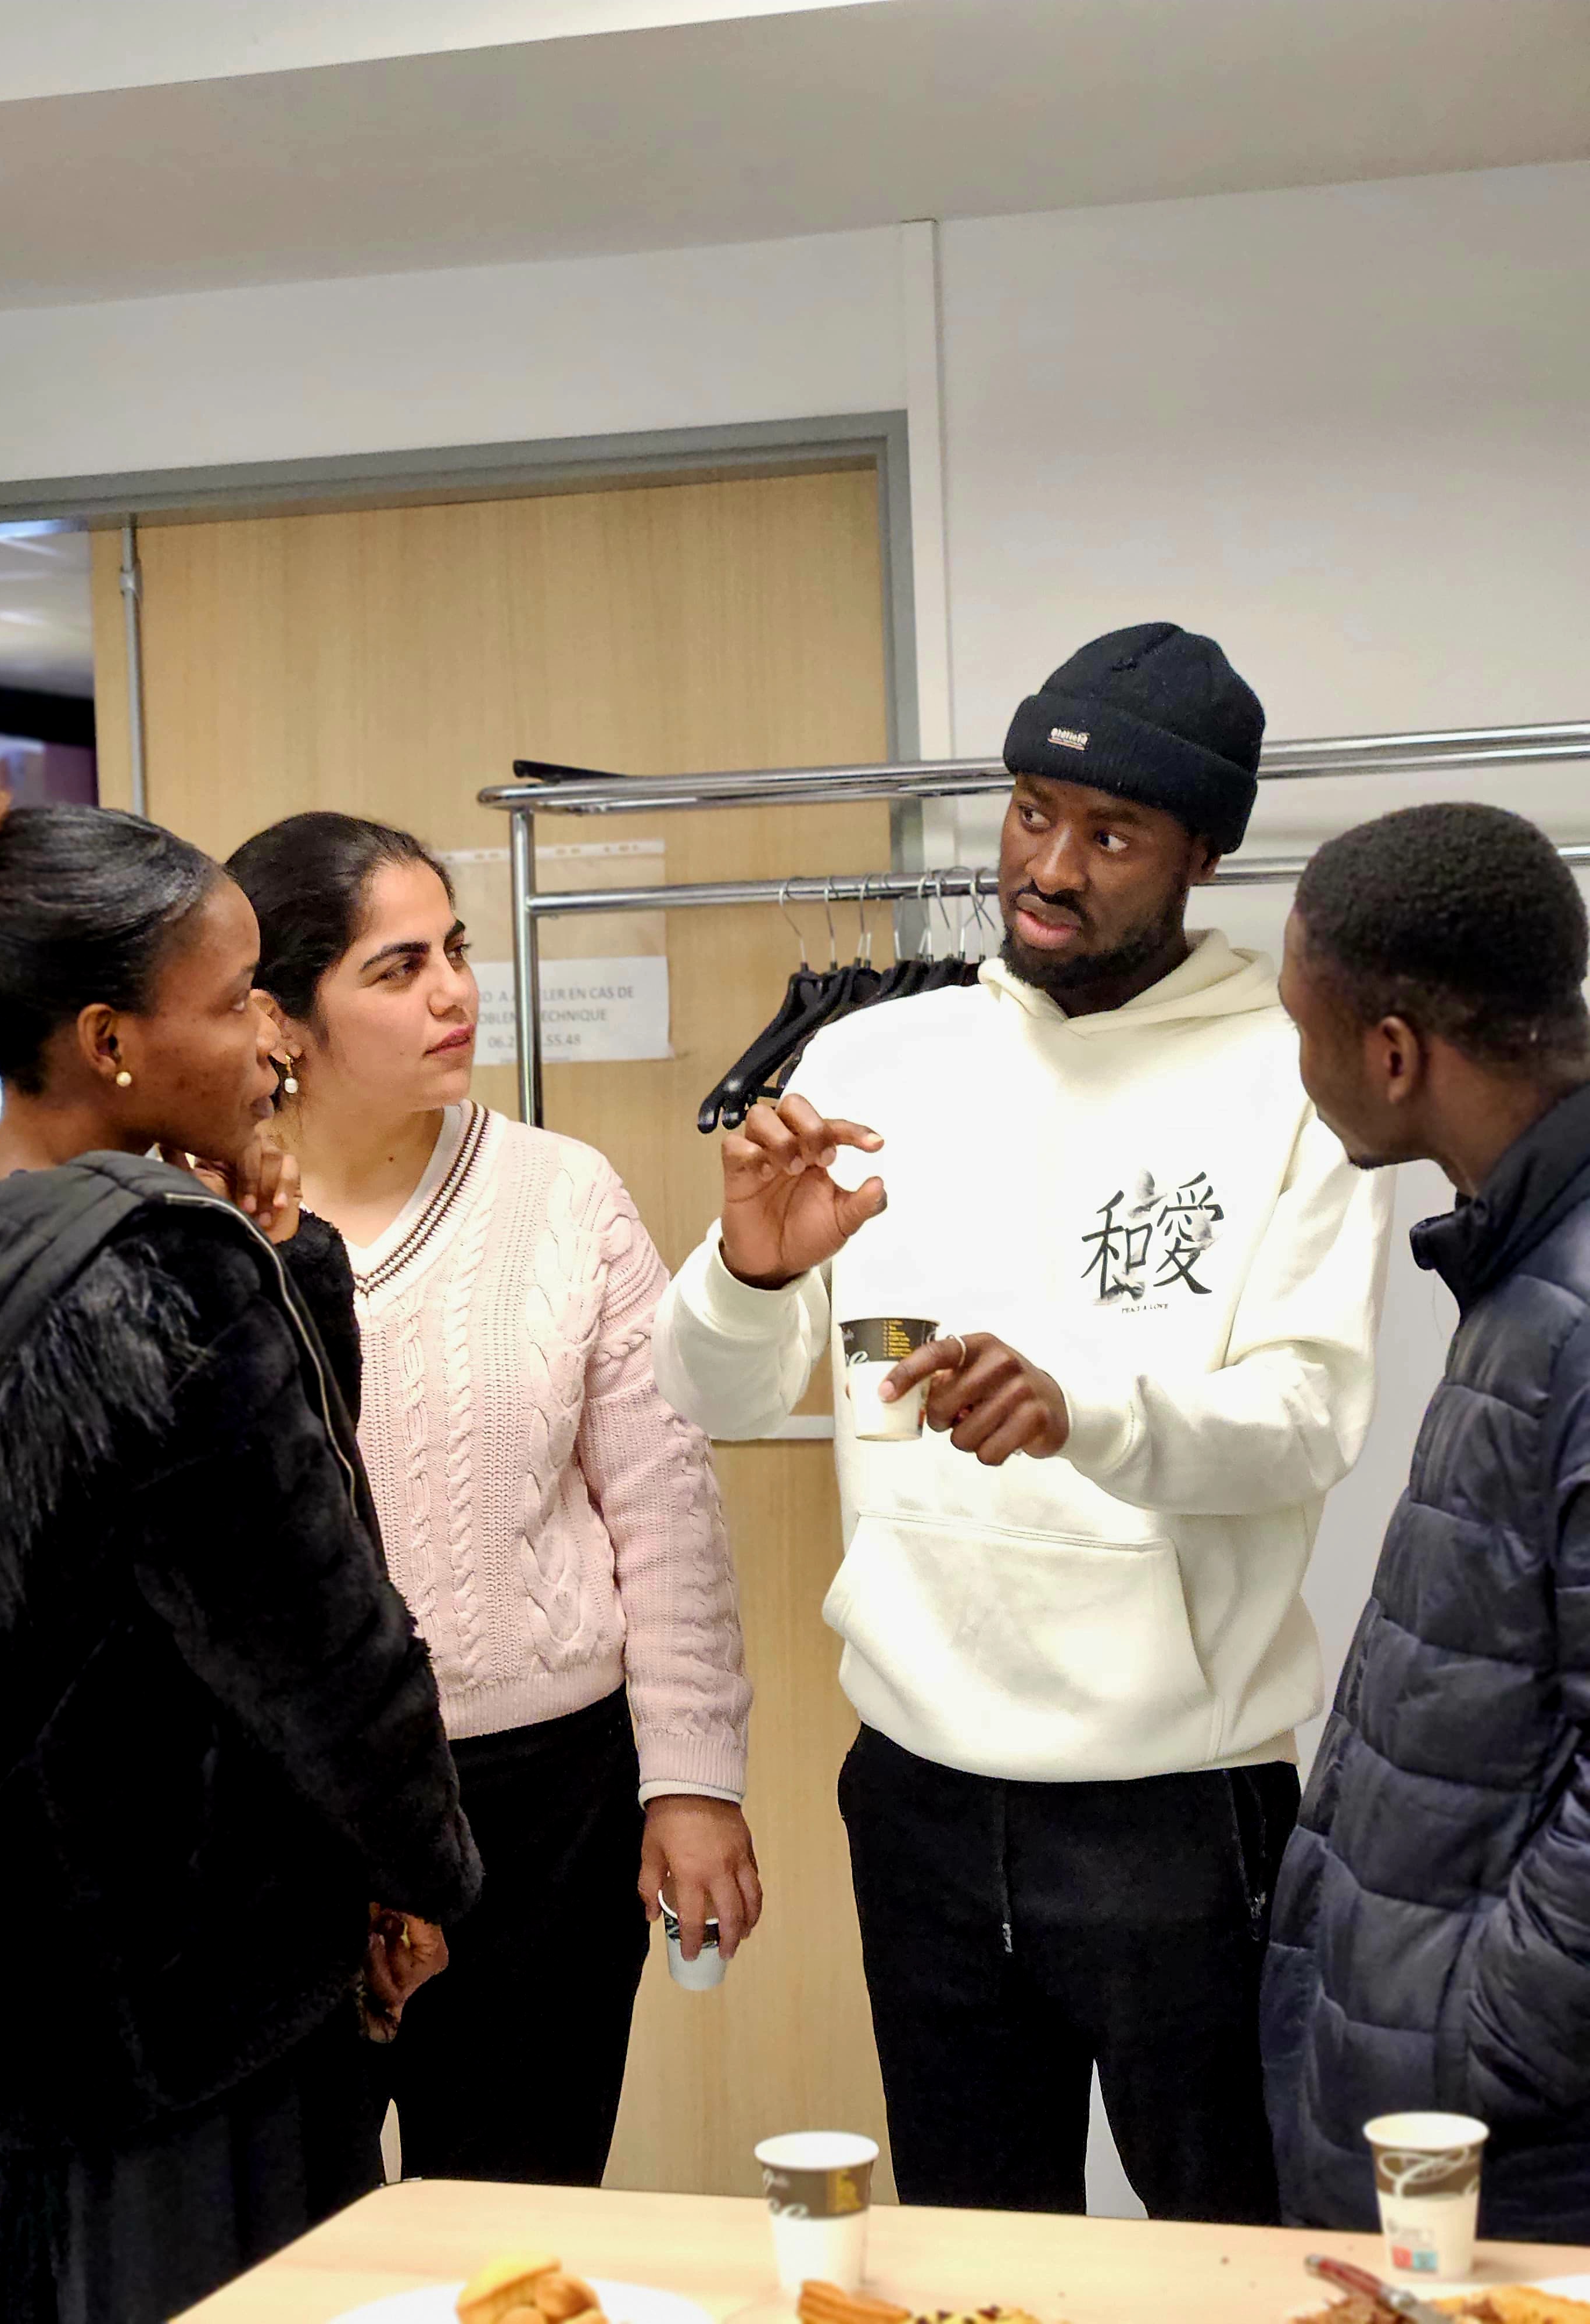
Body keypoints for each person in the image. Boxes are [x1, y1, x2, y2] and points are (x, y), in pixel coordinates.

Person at [652, 622, 1393, 2223]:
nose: (1049, 870)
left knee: (1236, 2253)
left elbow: (1305, 1419)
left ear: (1203, 856)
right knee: (973, 2254)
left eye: (1111, 835)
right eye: (1031, 813)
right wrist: (744, 1270)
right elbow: (715, 1397)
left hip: (1177, 1803)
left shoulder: (1290, 1082)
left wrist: (1088, 1416)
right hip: (918, 1786)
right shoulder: (874, 1057)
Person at [0, 758, 480, 2324]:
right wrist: (421, 1872)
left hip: (30, 1951)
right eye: (235, 999)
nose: (273, 1036)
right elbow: (323, 1645)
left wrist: (286, 1262)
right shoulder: (163, 1289)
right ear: (110, 1042)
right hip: (211, 1970)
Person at [226, 810, 756, 2188]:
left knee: (520, 2214)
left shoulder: (563, 1192)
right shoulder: (203, 1223)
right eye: (397, 968)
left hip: (545, 1804)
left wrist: (691, 1777)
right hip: (289, 1813)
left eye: (455, 950)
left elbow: (667, 1503)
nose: (454, 991)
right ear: (280, 1016)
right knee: (296, 2224)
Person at [1263, 802, 1590, 2243]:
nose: (1301, 1067)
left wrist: (1477, 2040)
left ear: (1392, 1053)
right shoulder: (1527, 1255)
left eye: (1304, 1029)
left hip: (1520, 2133)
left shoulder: (1573, 1293)